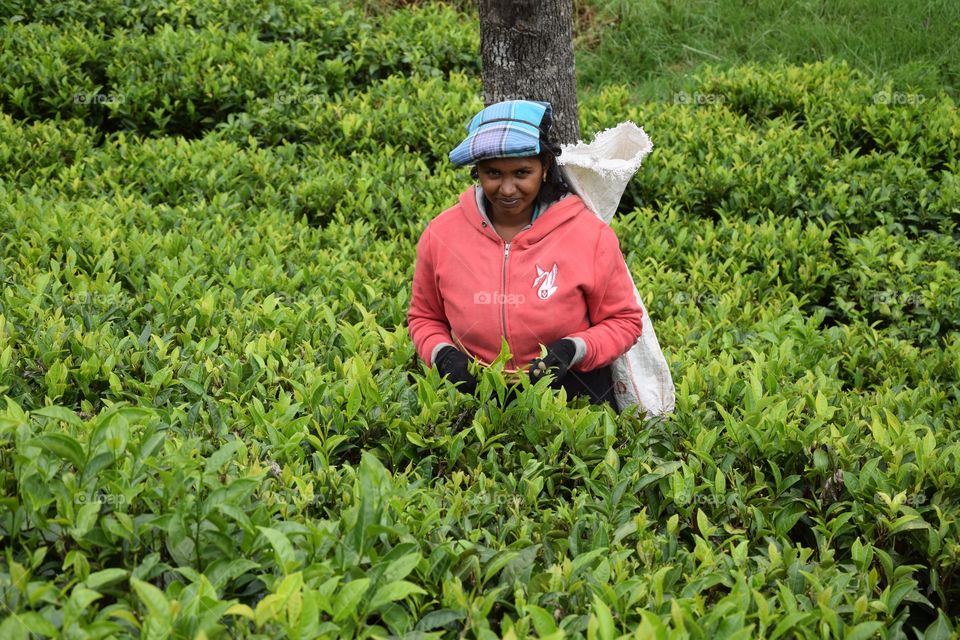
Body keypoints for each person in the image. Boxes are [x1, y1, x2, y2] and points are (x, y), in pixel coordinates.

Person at [406, 99, 644, 412]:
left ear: (545, 167)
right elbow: (425, 316)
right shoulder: (442, 233)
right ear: (476, 171)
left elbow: (624, 321)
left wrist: (574, 349)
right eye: (493, 173)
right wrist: (442, 354)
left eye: (522, 173)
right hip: (473, 395)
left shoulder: (589, 235)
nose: (507, 189)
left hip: (572, 394)